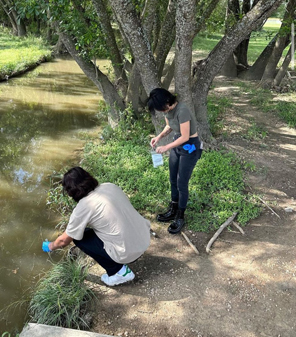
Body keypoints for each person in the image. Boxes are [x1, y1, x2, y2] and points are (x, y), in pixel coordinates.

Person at [41, 167, 150, 287]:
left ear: (71, 192)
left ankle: (119, 272)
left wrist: (50, 246)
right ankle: (122, 257)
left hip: (129, 253)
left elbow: (63, 240)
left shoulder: (84, 206)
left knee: (79, 238)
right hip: (144, 238)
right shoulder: (109, 186)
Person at [148, 88, 202, 234]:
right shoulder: (168, 111)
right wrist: (158, 137)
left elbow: (185, 137)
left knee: (181, 183)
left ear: (167, 101)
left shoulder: (182, 110)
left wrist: (166, 147)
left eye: (161, 108)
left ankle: (180, 215)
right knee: (173, 179)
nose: (161, 112)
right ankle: (173, 207)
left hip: (190, 147)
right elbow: (169, 126)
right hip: (177, 145)